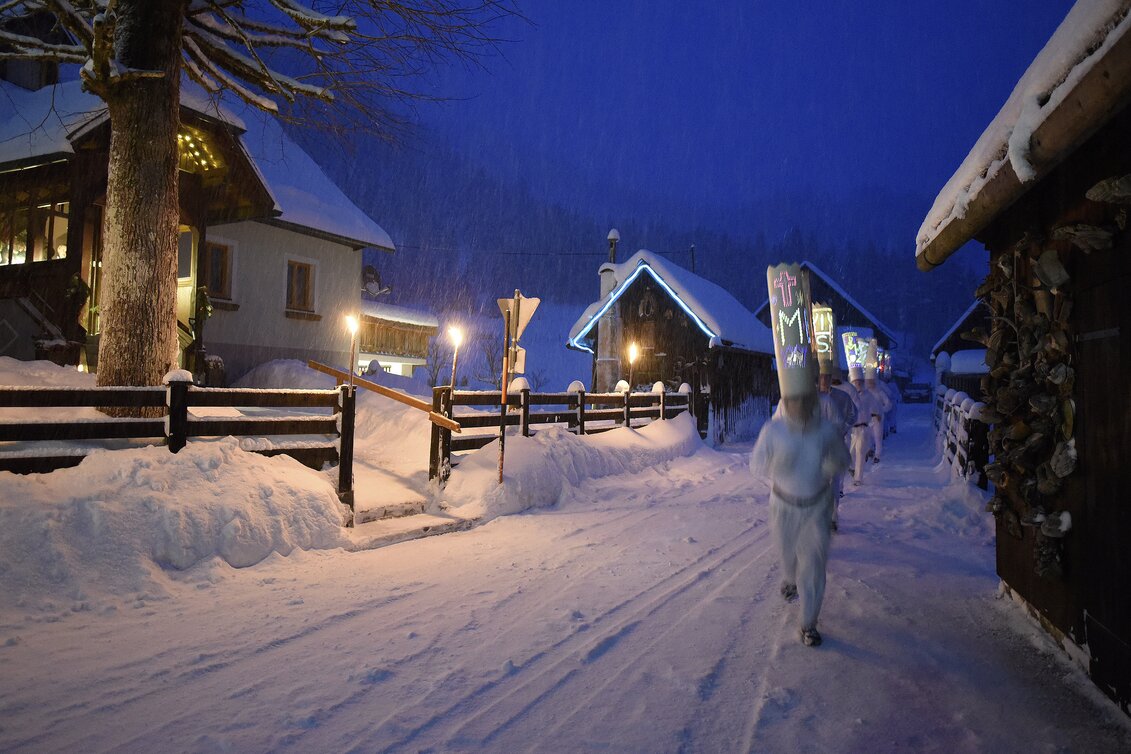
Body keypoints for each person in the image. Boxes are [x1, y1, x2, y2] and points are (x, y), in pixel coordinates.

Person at [751, 391, 851, 647]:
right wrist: (775, 464)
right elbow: (756, 463)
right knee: (788, 556)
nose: (799, 407)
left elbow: (843, 458)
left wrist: (830, 465)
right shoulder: (773, 430)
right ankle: (790, 578)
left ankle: (809, 624)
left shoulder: (825, 430)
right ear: (785, 403)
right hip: (783, 507)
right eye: (792, 401)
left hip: (816, 507)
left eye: (804, 401)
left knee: (813, 566)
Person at [818, 367, 855, 531]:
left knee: (833, 482)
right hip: (815, 447)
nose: (824, 380)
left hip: (834, 446)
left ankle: (832, 517)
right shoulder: (811, 398)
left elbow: (853, 414)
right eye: (822, 376)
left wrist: (843, 429)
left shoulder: (842, 397)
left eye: (827, 376)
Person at [847, 367, 881, 485]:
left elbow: (875, 408)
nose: (858, 384)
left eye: (860, 382)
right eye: (856, 382)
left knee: (860, 452)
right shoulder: (849, 395)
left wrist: (876, 415)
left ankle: (858, 478)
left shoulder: (868, 396)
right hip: (851, 429)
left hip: (863, 428)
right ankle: (852, 468)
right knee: (851, 453)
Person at [864, 372, 894, 463]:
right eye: (868, 381)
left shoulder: (880, 392)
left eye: (872, 381)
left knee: (877, 437)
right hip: (867, 418)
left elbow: (888, 404)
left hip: (878, 419)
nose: (870, 383)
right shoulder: (864, 393)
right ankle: (869, 450)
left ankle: (877, 455)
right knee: (867, 436)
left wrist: (881, 411)